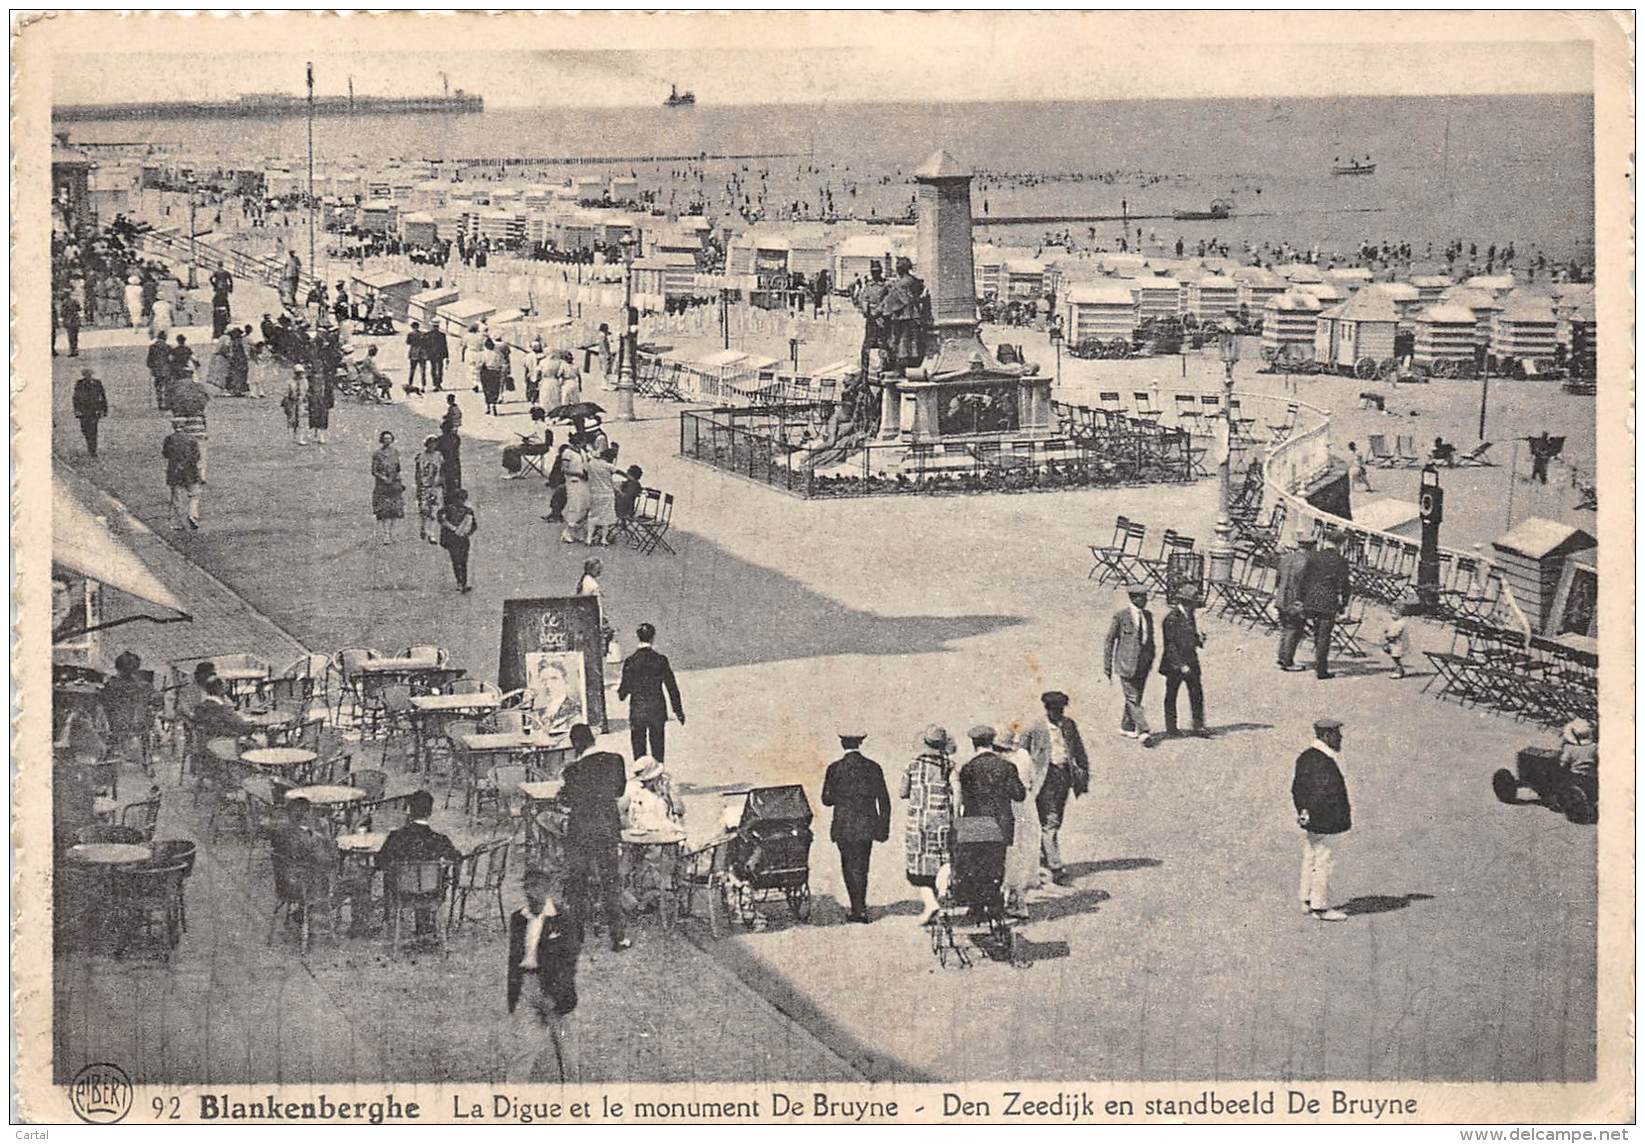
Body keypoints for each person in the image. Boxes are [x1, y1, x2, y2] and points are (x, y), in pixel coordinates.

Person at [505, 866, 583, 1083]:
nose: (531, 893)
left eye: (537, 887)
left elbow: (570, 961)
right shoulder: (518, 919)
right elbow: (514, 959)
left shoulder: (564, 919)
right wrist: (514, 995)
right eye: (528, 887)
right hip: (527, 989)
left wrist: (559, 995)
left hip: (556, 992)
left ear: (548, 888)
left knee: (567, 1054)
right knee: (522, 1050)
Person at [560, 723, 630, 951]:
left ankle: (576, 934)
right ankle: (617, 937)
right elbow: (619, 792)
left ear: (575, 745)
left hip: (580, 832)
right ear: (593, 739)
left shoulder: (572, 771)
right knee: (611, 882)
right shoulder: (616, 760)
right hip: (607, 829)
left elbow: (567, 800)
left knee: (578, 882)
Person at [821, 729, 891, 924]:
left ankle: (856, 908)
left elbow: (826, 800)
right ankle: (860, 908)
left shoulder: (834, 768)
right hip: (866, 825)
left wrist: (842, 796)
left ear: (842, 744)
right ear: (860, 743)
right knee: (862, 865)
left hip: (843, 825)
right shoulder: (873, 767)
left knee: (848, 865)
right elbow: (884, 800)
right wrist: (883, 828)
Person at [1022, 691, 1089, 887]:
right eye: (1055, 710)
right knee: (1050, 821)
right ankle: (1056, 867)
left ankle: (1044, 860)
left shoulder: (1069, 725)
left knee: (1054, 819)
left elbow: (1079, 750)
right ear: (1047, 709)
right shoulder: (1034, 728)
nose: (1059, 714)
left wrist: (1082, 775)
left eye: (1061, 710)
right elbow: (1023, 754)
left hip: (1064, 777)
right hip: (1044, 779)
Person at [378, 790, 462, 938]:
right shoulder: (440, 839)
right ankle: (424, 927)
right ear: (430, 812)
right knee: (428, 880)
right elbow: (457, 858)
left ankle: (393, 922)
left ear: (409, 811)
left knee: (395, 877)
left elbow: (380, 861)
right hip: (432, 893)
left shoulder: (396, 837)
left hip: (402, 892)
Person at [1292, 718, 1351, 922]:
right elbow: (1324, 794)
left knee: (1311, 857)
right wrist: (1330, 817)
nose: (1340, 738)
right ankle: (1321, 906)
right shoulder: (1324, 762)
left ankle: (1306, 899)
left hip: (1312, 820)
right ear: (1326, 736)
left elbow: (1297, 789)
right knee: (1325, 861)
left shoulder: (1306, 757)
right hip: (1328, 821)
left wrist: (1304, 812)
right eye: (1337, 734)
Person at [899, 724, 956, 926]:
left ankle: (930, 903)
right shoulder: (949, 765)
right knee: (941, 859)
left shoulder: (913, 765)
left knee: (919, 866)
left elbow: (903, 792)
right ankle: (941, 896)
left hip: (919, 821)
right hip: (942, 820)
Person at [996, 723, 1046, 916]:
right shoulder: (1024, 756)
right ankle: (1018, 899)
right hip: (1026, 805)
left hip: (1009, 806)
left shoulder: (1003, 763)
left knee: (1009, 851)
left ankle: (1008, 897)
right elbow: (1032, 780)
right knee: (1024, 849)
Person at [617, 623, 685, 763]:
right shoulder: (660, 660)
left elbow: (623, 691)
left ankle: (642, 781)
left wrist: (622, 692)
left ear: (638, 637)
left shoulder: (631, 661)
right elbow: (671, 687)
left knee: (639, 750)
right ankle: (658, 778)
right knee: (658, 750)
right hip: (657, 709)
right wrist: (678, 711)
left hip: (638, 710)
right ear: (653, 638)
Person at [1103, 583, 1157, 740]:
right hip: (1125, 664)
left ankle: (1126, 726)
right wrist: (1107, 666)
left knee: (1135, 697)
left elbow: (1150, 639)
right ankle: (1144, 730)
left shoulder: (1148, 615)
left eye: (1146, 597)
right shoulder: (1121, 616)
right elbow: (1109, 641)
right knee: (1133, 698)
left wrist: (1151, 657)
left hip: (1143, 664)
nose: (1145, 600)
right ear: (1133, 598)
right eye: (1142, 597)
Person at [1299, 533, 1352, 680]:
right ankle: (1321, 670)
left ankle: (1318, 661)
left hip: (1312, 598)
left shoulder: (1313, 556)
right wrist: (1344, 604)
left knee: (1317, 632)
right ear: (1340, 544)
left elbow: (1304, 579)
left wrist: (1302, 599)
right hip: (1328, 600)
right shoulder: (1340, 561)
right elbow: (1345, 584)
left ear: (1326, 541)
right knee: (1324, 636)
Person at [1159, 590, 1208, 736]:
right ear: (1187, 603)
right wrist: (1181, 665)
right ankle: (1171, 727)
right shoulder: (1171, 619)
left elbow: (1190, 636)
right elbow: (1170, 646)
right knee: (1172, 694)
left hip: (1191, 660)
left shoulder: (1189, 615)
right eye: (1194, 603)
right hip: (1174, 664)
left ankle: (1198, 725)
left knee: (1196, 692)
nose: (1195, 606)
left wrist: (1199, 640)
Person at [100, 650, 152, 776]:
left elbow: (104, 704)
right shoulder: (141, 686)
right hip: (138, 724)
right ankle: (147, 761)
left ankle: (108, 758)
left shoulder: (111, 685)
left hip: (116, 724)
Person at [1275, 536, 1315, 671]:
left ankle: (1282, 656)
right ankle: (1288, 662)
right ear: (1311, 547)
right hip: (1296, 601)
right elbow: (1306, 585)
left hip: (1281, 598)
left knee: (1286, 628)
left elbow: (1278, 578)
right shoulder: (1308, 562)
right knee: (1294, 630)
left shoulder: (1286, 558)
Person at [161, 423, 203, 531]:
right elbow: (197, 456)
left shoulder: (169, 439)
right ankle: (192, 514)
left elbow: (165, 454)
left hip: (174, 471)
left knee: (177, 497)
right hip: (190, 471)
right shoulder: (191, 439)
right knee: (195, 494)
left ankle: (179, 522)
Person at [437, 489, 477, 592]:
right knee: (456, 560)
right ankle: (460, 581)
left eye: (462, 499)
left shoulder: (468, 511)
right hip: (453, 540)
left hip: (462, 539)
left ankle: (463, 582)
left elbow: (474, 525)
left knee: (462, 561)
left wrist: (467, 533)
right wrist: (449, 526)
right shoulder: (449, 509)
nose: (460, 501)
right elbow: (440, 517)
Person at [371, 430, 405, 545]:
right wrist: (383, 478)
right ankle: (386, 535)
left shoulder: (395, 452)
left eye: (389, 438)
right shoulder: (377, 454)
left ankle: (392, 533)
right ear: (381, 440)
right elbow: (374, 471)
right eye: (385, 439)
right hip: (382, 485)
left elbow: (398, 468)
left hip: (394, 484)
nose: (387, 441)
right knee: (384, 511)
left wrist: (399, 480)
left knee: (395, 511)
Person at [585, 447, 620, 546]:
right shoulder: (609, 466)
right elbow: (617, 472)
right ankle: (603, 539)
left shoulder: (592, 464)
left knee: (592, 516)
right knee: (606, 518)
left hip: (594, 493)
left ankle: (589, 538)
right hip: (607, 494)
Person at [414, 435, 445, 544]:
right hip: (424, 486)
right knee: (424, 510)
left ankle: (431, 533)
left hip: (435, 487)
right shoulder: (420, 456)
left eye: (434, 443)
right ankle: (423, 527)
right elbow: (417, 473)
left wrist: (441, 482)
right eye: (430, 443)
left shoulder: (439, 456)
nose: (432, 445)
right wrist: (418, 486)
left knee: (434, 510)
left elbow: (442, 471)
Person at [71, 367, 107, 458]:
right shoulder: (79, 384)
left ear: (91, 375)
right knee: (85, 430)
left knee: (93, 431)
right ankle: (90, 446)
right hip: (83, 411)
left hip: (94, 411)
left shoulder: (97, 383)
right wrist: (76, 410)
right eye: (86, 375)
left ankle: (93, 451)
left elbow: (103, 397)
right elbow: (75, 398)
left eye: (89, 374)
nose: (88, 376)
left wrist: (104, 410)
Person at [559, 443, 591, 545]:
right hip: (573, 481)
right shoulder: (567, 453)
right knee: (574, 506)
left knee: (584, 506)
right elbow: (564, 469)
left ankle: (577, 531)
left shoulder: (582, 452)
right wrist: (578, 473)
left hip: (583, 482)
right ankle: (567, 532)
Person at [1380, 601, 1415, 679]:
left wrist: (1389, 634)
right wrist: (1387, 629)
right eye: (1391, 613)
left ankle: (1398, 671)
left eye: (1395, 614)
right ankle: (1399, 669)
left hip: (1399, 643)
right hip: (1395, 643)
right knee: (1394, 657)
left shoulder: (1401, 623)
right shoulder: (1395, 621)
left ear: (1401, 614)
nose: (1392, 615)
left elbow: (1396, 633)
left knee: (1396, 657)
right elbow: (1391, 628)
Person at [282, 366, 310, 444]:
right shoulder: (290, 381)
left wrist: (303, 398)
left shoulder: (305, 381)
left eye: (301, 373)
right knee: (291, 419)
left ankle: (301, 438)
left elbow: (306, 391)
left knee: (302, 420)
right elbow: (286, 392)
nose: (300, 375)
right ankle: (291, 437)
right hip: (292, 402)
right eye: (298, 373)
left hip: (301, 402)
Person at [147, 331, 172, 410]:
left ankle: (160, 403)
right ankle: (167, 403)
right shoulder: (168, 347)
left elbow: (149, 360)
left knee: (158, 387)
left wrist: (151, 367)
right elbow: (171, 359)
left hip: (156, 370)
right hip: (166, 369)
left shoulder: (152, 347)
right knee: (167, 387)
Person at [479, 336, 504, 414]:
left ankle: (488, 406)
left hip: (486, 372)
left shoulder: (483, 353)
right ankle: (493, 405)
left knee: (486, 390)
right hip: (496, 372)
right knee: (495, 389)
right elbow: (501, 363)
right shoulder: (498, 353)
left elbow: (480, 363)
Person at [405, 321, 428, 393]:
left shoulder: (410, 334)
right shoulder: (423, 334)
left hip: (413, 353)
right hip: (422, 353)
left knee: (412, 370)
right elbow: (426, 342)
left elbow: (408, 342)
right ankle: (423, 386)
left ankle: (410, 384)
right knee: (423, 371)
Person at [427, 321, 449, 391]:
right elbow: (445, 346)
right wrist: (447, 356)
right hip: (439, 354)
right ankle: (438, 384)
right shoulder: (442, 335)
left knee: (434, 369)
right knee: (439, 369)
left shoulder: (428, 334)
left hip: (432, 354)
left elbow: (426, 345)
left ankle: (435, 384)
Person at [60, 292, 82, 357]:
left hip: (69, 321)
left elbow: (62, 313)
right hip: (75, 320)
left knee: (70, 337)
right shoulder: (75, 301)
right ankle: (75, 350)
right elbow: (79, 309)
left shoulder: (64, 303)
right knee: (75, 336)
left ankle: (72, 351)